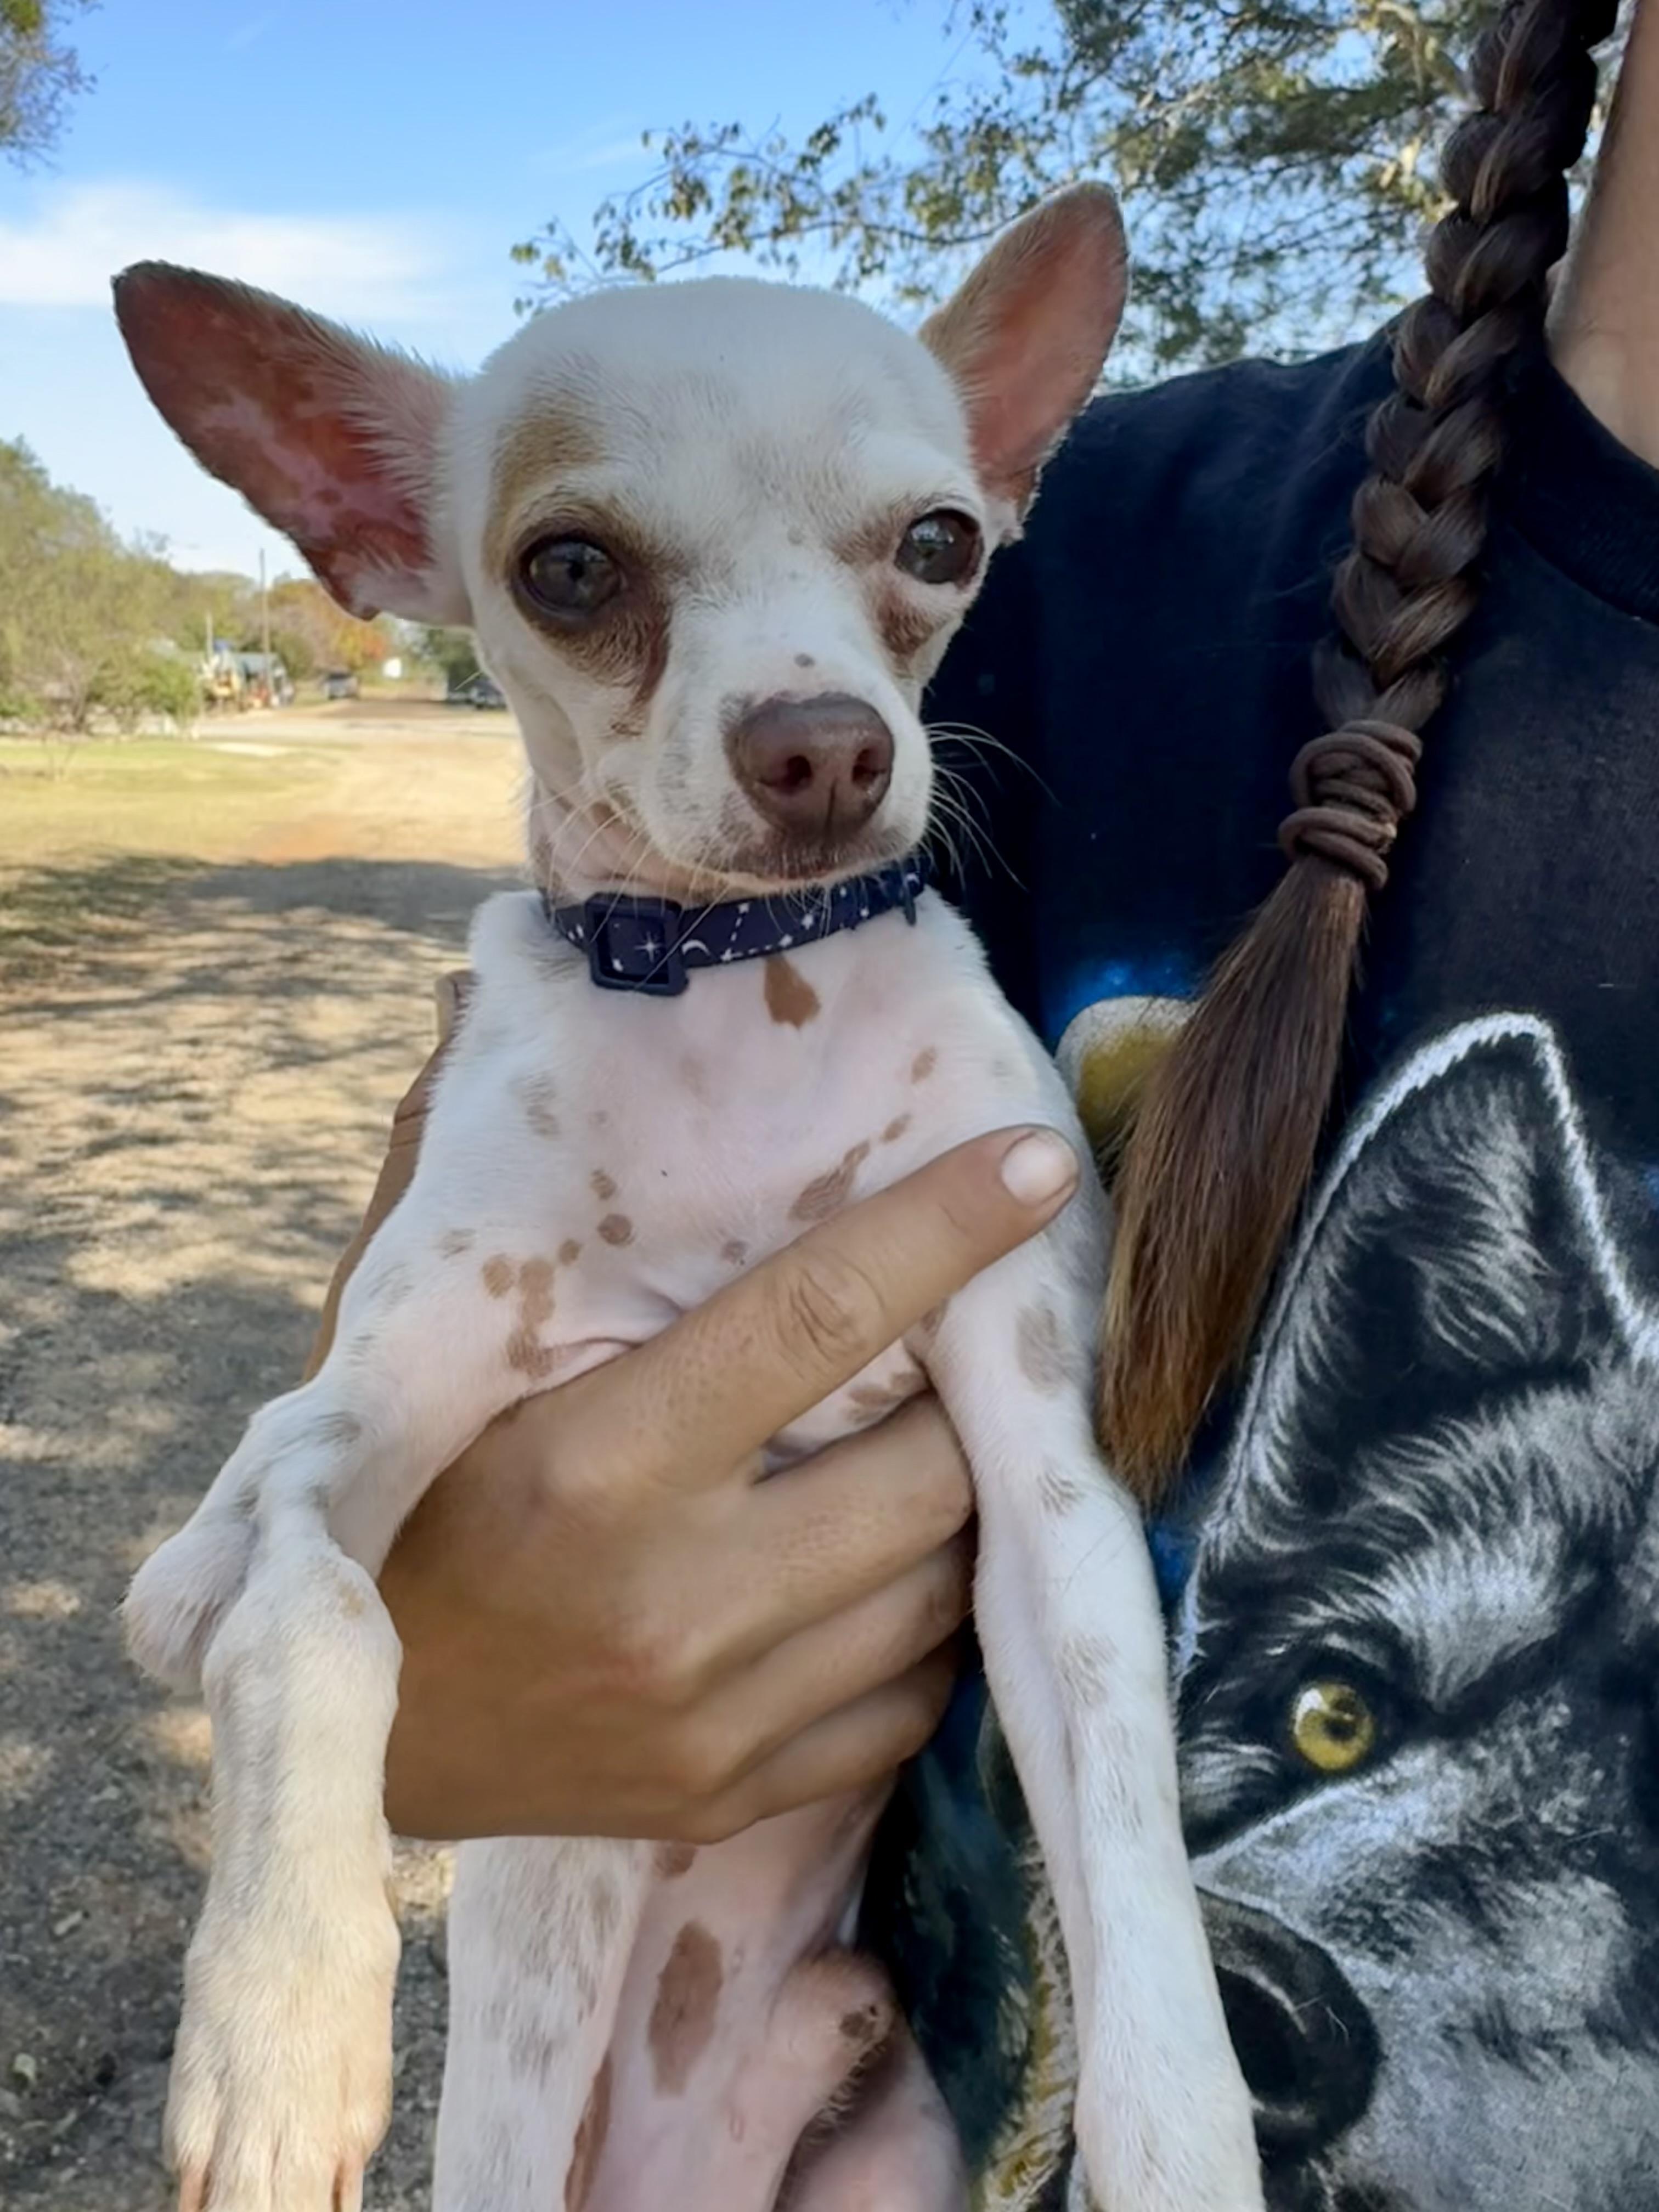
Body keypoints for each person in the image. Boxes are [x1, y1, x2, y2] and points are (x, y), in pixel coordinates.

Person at [322, 0, 1659, 2198]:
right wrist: (407, 1655)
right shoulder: (1082, 560)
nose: (824, 703)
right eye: (582, 574)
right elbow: (481, 1286)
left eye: (918, 558)